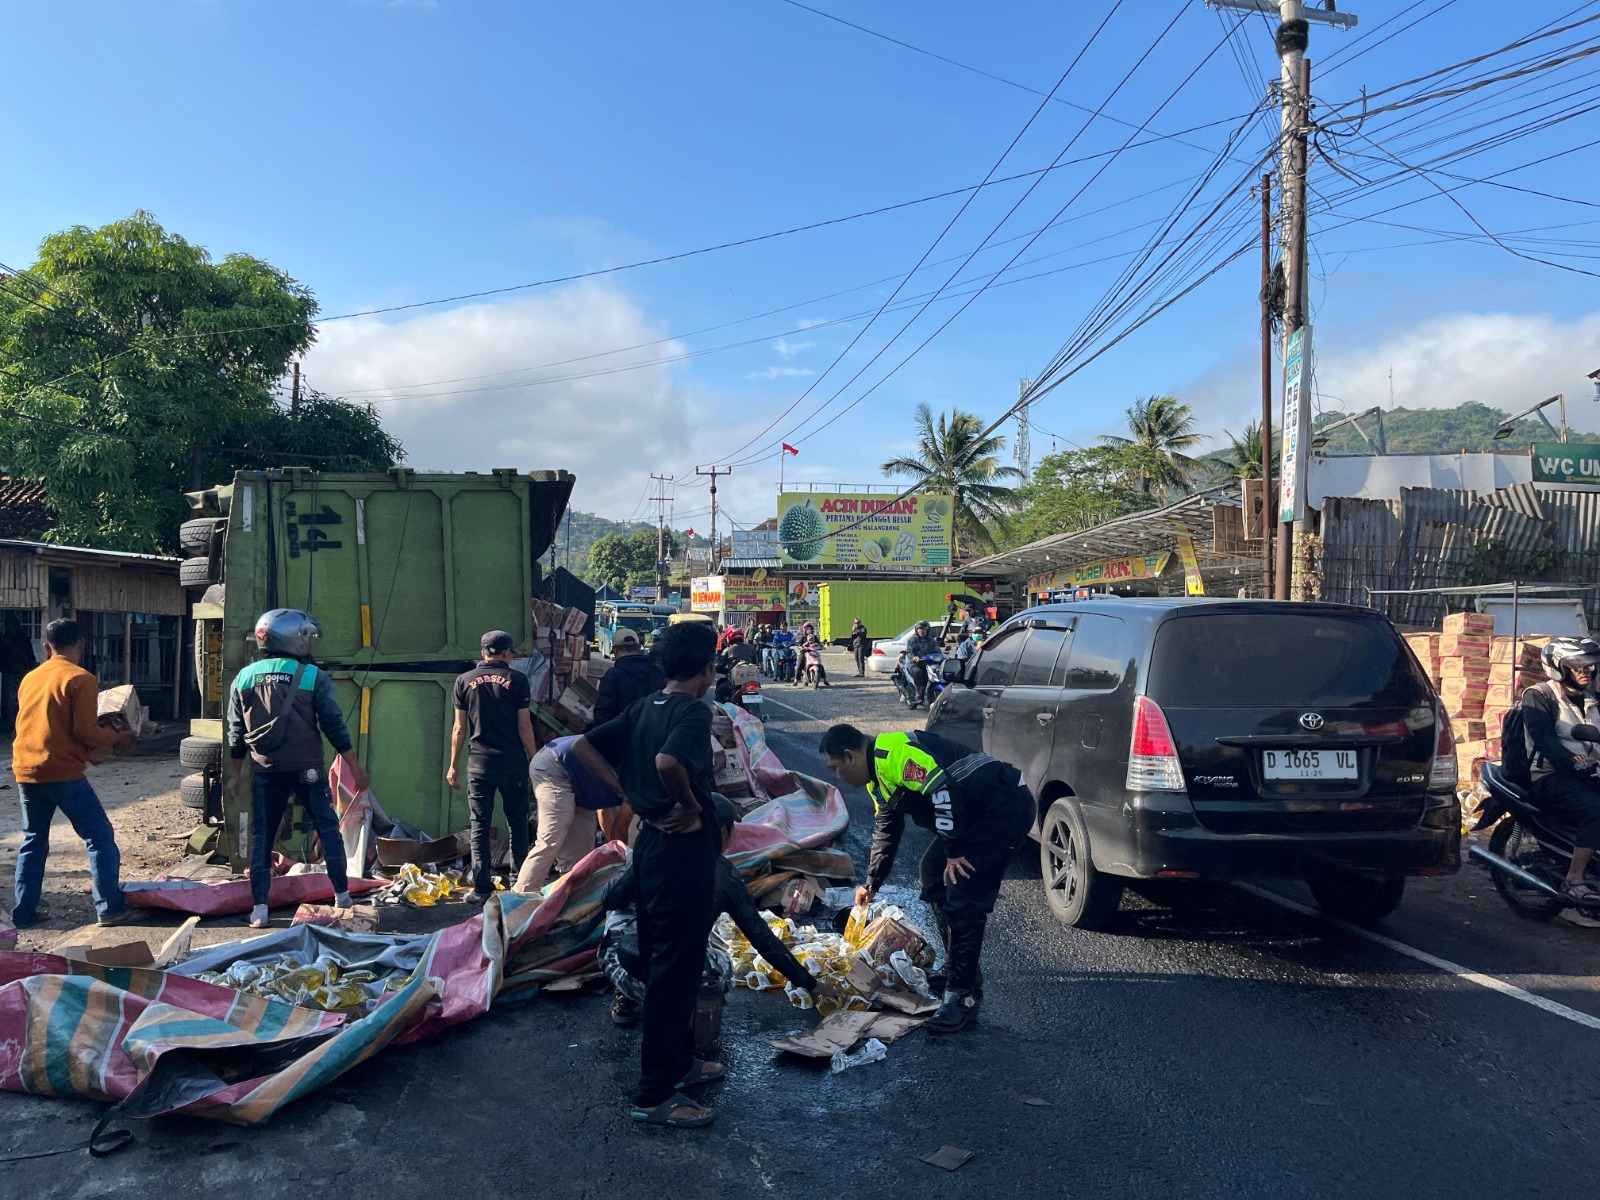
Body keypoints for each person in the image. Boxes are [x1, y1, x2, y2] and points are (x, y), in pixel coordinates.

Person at [570, 620, 723, 1129]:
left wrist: (625, 793)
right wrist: (690, 804)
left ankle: (679, 1064)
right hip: (682, 851)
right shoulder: (693, 712)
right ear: (707, 668)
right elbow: (668, 761)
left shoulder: (644, 707)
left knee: (673, 961)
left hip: (653, 846)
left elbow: (582, 747)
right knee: (675, 971)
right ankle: (656, 1093)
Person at [819, 723, 1032, 1034]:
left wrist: (954, 851)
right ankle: (960, 969)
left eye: (835, 767)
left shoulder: (895, 754)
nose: (837, 775)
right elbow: (887, 829)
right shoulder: (877, 780)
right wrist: (871, 884)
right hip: (971, 815)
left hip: (1002, 808)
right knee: (932, 875)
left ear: (850, 756)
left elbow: (942, 790)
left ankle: (962, 996)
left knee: (962, 890)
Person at [602, 793, 841, 1027]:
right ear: (725, 832)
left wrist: (635, 869)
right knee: (721, 963)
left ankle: (628, 996)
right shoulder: (726, 877)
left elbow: (610, 899)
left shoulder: (656, 849)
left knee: (622, 910)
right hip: (678, 986)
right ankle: (695, 1017)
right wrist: (810, 983)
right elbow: (762, 938)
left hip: (621, 966)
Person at [228, 610, 367, 930]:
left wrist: (236, 775)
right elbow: (333, 726)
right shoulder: (311, 676)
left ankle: (260, 910)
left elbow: (236, 734)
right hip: (307, 770)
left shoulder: (243, 677)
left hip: (265, 771)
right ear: (294, 638)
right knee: (328, 830)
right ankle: (343, 897)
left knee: (263, 838)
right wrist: (355, 767)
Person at [10, 618, 139, 929]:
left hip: (26, 768)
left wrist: (85, 750)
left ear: (47, 647)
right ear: (81, 644)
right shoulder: (81, 678)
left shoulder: (31, 678)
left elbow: (48, 726)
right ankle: (110, 909)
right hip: (61, 771)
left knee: (33, 840)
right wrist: (116, 738)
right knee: (99, 836)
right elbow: (85, 731)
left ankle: (23, 913)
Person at [448, 630, 538, 905]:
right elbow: (524, 725)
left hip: (479, 765)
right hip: (512, 764)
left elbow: (459, 728)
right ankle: (519, 883)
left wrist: (453, 765)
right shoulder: (518, 680)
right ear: (507, 653)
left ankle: (482, 888)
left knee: (480, 825)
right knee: (518, 824)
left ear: (483, 653)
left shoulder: (463, 681)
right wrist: (534, 758)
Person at [1523, 637, 1600, 906]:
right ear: (1559, 668)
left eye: (1590, 666)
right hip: (1549, 776)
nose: (1586, 672)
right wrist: (1573, 763)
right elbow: (1545, 740)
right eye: (1578, 666)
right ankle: (1573, 880)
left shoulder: (1592, 698)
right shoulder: (1539, 696)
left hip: (1590, 772)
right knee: (1596, 810)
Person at [514, 734, 628, 894]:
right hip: (553, 765)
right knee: (551, 839)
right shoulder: (640, 780)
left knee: (581, 851)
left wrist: (617, 851)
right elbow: (618, 828)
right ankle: (521, 896)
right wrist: (625, 859)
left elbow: (606, 812)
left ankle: (569, 899)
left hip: (580, 783)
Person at [593, 627, 666, 726]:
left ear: (615, 650)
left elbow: (603, 714)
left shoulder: (613, 675)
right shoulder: (659, 671)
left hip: (621, 733)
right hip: (654, 732)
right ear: (638, 649)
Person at [0, 615, 37, 734]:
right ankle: (11, 725)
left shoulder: (23, 639)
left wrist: (31, 668)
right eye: (10, 626)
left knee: (23, 698)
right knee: (10, 700)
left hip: (22, 671)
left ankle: (22, 724)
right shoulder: (4, 640)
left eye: (14, 626)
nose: (12, 628)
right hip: (9, 672)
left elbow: (30, 655)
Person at [902, 620, 942, 706]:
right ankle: (919, 694)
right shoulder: (912, 640)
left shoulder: (932, 641)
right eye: (920, 629)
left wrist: (941, 657)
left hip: (929, 663)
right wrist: (914, 657)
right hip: (915, 664)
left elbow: (938, 652)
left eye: (924, 629)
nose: (922, 631)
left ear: (928, 630)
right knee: (918, 672)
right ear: (916, 630)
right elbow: (909, 652)